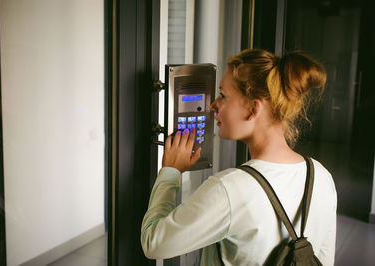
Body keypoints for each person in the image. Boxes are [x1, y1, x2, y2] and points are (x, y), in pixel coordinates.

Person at [141, 49, 337, 265]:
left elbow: (154, 243)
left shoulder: (230, 189)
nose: (212, 105)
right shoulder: (321, 176)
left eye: (223, 95)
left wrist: (170, 172)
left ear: (253, 108)